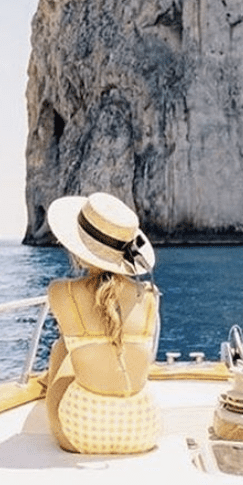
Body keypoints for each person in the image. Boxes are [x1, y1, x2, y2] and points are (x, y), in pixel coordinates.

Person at [44, 191, 162, 454]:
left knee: (61, 347)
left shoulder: (61, 292)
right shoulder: (150, 297)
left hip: (81, 433)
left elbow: (71, 338)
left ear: (78, 247)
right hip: (143, 429)